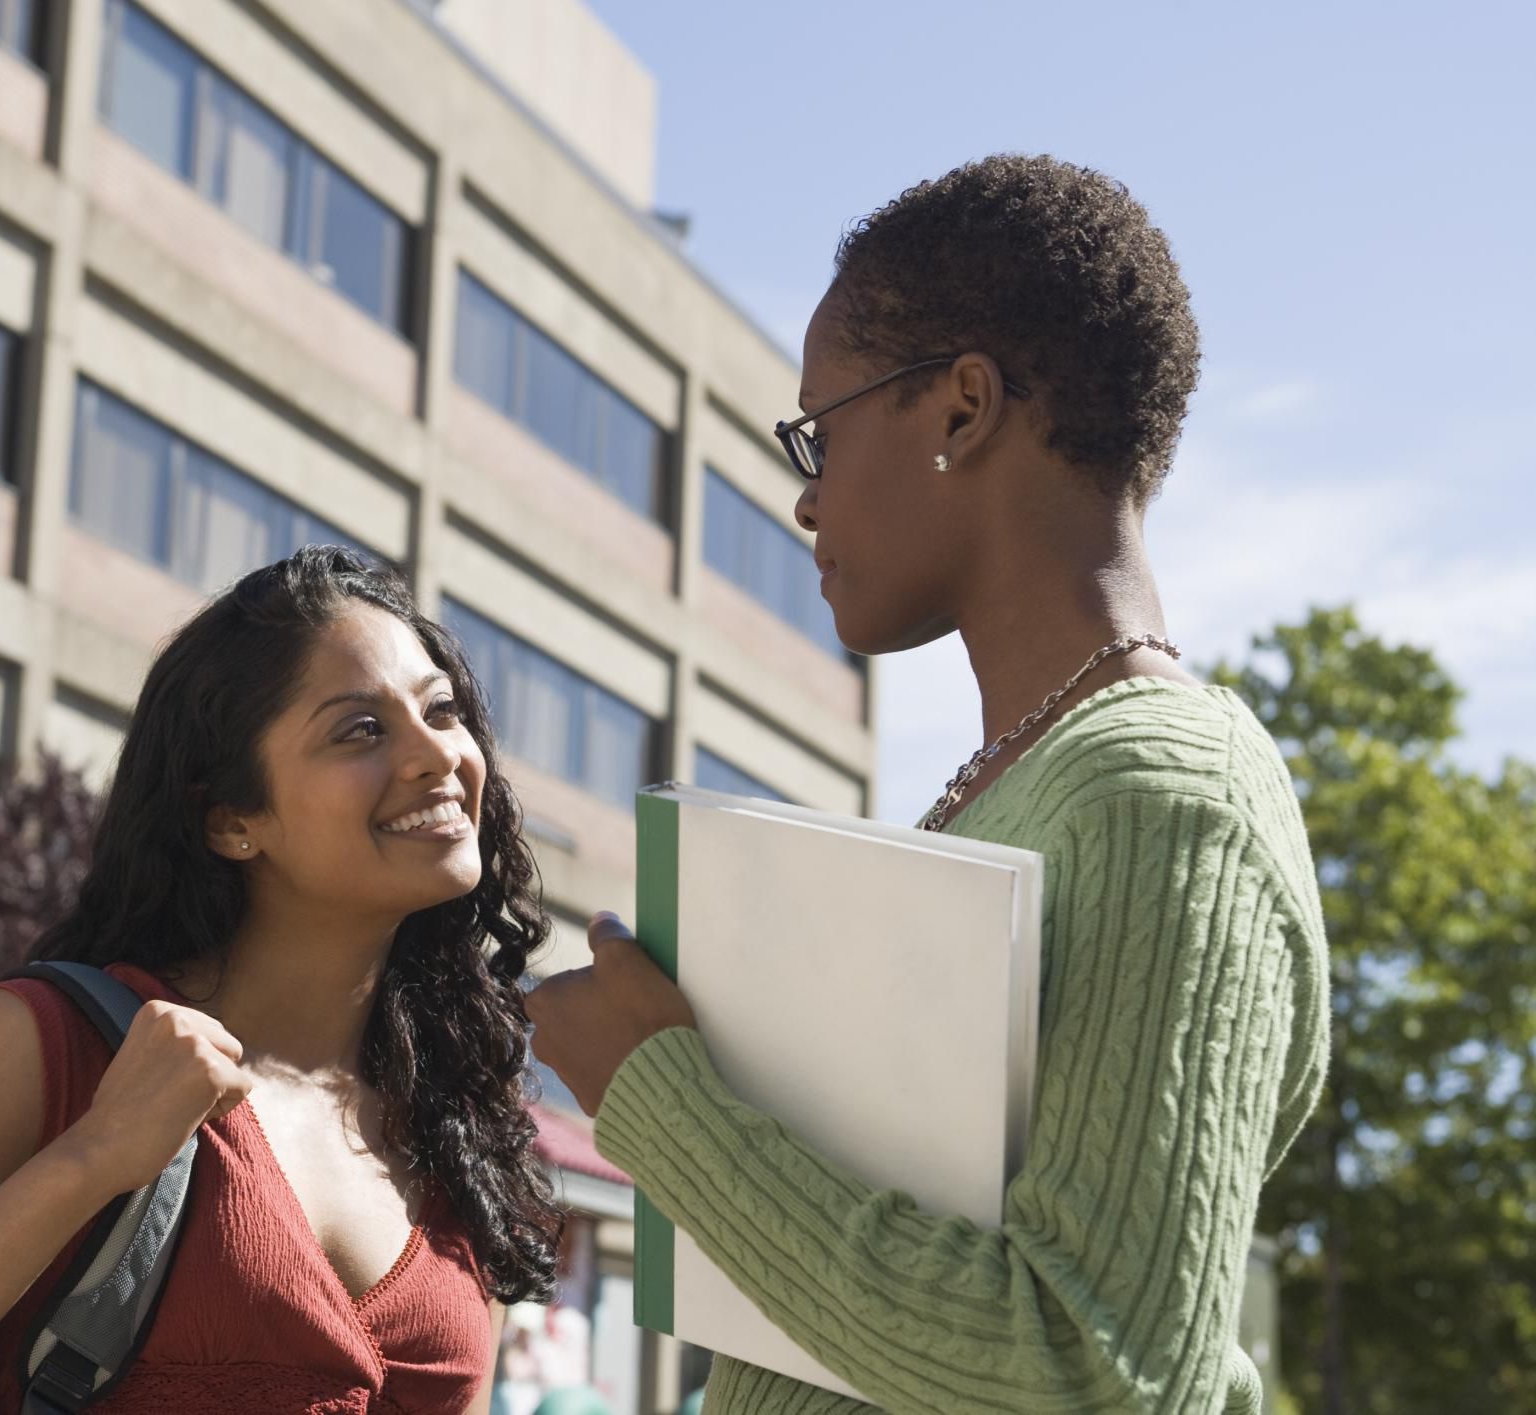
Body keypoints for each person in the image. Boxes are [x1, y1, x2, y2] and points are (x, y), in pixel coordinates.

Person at [526, 154, 1330, 1414]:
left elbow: (1094, 1368)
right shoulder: (1020, 789)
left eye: (821, 432)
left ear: (960, 409)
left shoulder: (1167, 798)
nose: (803, 496)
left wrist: (657, 1094)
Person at [0, 546, 562, 1413]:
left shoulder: (459, 1119)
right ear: (231, 820)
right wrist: (91, 1160)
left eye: (441, 709)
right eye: (360, 729)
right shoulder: (49, 1044)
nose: (436, 753)